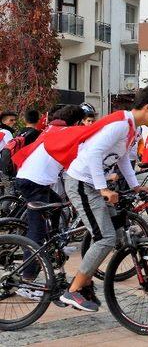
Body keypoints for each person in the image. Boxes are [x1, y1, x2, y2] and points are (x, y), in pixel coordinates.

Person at [60, 88, 148, 312]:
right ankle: (73, 291)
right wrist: (103, 188)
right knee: (105, 238)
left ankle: (84, 284)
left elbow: (123, 159)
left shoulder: (132, 128)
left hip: (91, 184)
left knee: (113, 234)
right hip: (80, 182)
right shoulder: (120, 125)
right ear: (147, 108)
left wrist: (135, 185)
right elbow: (94, 153)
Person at [12, 105, 85, 300]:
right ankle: (26, 281)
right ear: (77, 122)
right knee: (37, 232)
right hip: (34, 183)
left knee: (57, 204)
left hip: (31, 179)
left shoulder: (53, 128)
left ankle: (55, 242)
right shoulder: (68, 132)